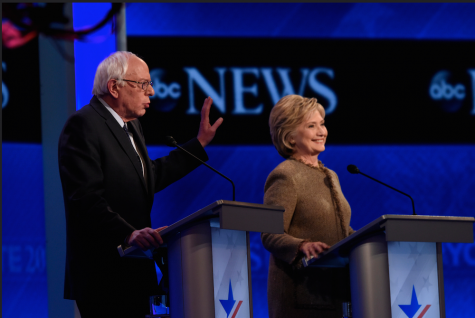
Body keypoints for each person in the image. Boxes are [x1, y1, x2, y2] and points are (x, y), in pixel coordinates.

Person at [58, 51, 223, 317]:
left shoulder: (132, 127)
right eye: (144, 84)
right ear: (114, 87)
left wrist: (198, 144)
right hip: (102, 274)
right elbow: (85, 198)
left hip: (134, 269)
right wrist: (129, 234)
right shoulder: (83, 125)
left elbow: (148, 177)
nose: (153, 91)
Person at [261, 95, 355, 318]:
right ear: (290, 137)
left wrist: (365, 240)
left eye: (322, 124)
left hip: (336, 295)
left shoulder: (330, 175)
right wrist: (302, 245)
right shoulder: (285, 175)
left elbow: (341, 230)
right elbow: (269, 234)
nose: (321, 131)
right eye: (311, 126)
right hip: (301, 299)